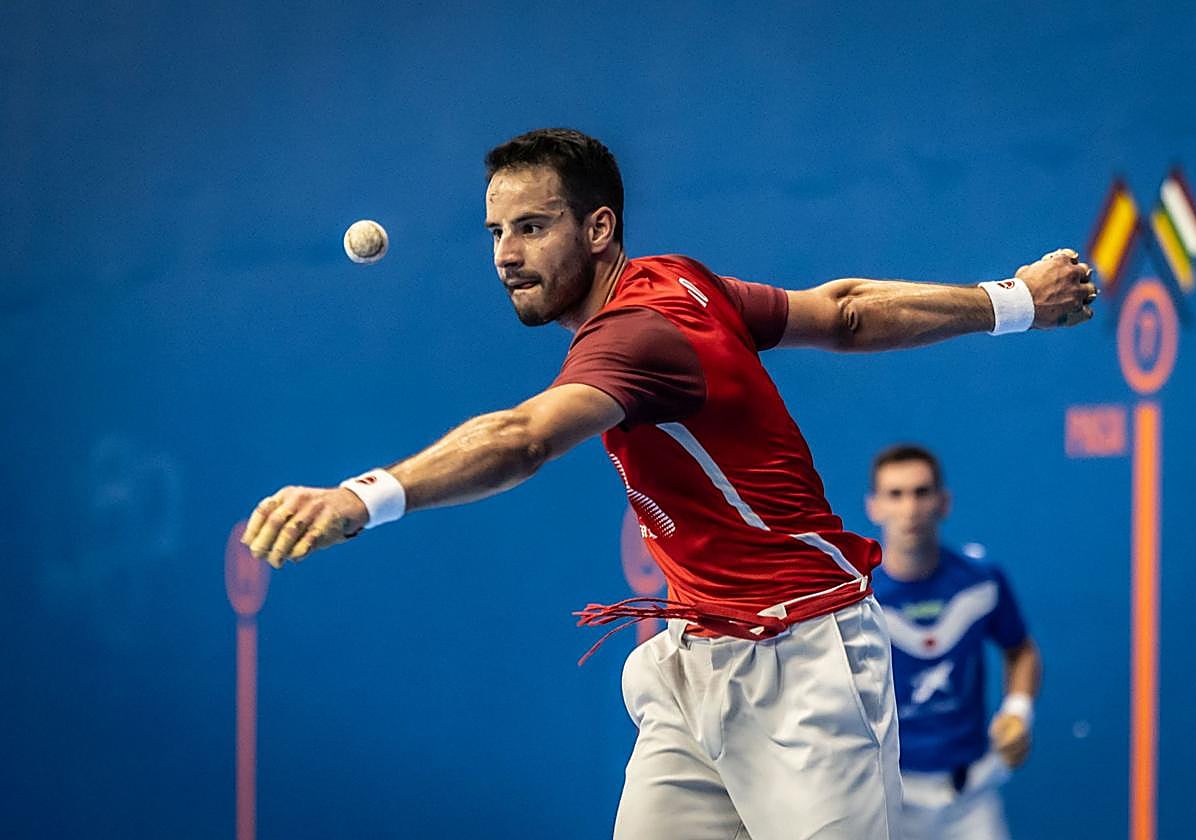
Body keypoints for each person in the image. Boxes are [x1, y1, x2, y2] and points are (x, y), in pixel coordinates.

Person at [242, 128, 1092, 839]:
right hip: (696, 662)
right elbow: (844, 312)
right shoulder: (682, 281)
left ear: (599, 227)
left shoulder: (639, 335)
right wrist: (1013, 300)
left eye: (533, 227)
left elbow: (522, 440)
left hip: (806, 667)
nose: (507, 255)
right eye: (496, 231)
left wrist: (361, 498)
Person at [866, 444, 1042, 840]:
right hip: (887, 798)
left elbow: (1021, 650)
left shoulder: (981, 580)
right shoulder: (857, 597)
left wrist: (1018, 710)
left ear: (943, 502)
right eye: (895, 494)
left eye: (921, 492)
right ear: (874, 507)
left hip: (971, 798)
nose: (910, 508)